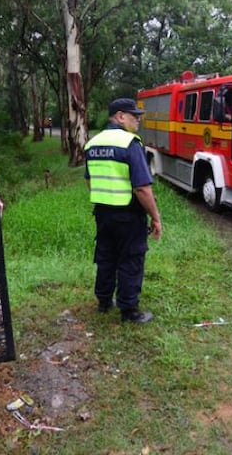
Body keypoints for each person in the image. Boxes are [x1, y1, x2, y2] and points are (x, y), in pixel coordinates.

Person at [84, 97, 162, 323]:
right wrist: (155, 218)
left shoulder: (93, 143)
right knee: (131, 259)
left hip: (102, 213)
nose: (138, 120)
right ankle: (129, 311)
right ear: (119, 116)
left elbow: (90, 181)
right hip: (128, 215)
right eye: (133, 116)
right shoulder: (130, 143)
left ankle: (104, 301)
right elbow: (142, 188)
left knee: (106, 257)